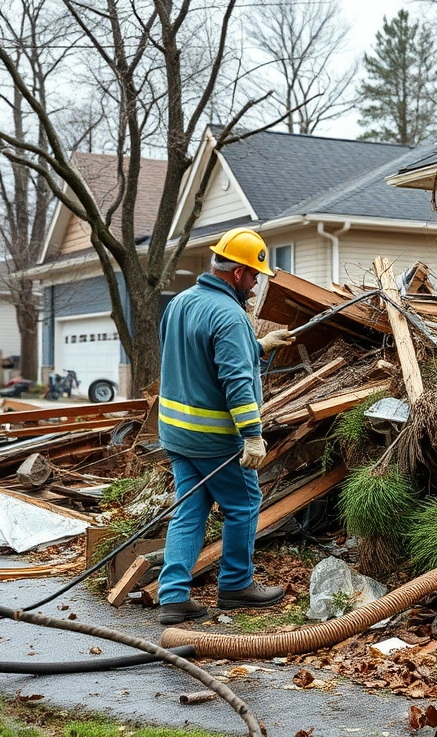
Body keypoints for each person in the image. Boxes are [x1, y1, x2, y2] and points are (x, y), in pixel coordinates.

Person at [156, 227, 293, 626]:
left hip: (176, 435)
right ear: (237, 273)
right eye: (254, 276)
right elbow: (236, 381)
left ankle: (173, 596)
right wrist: (252, 435)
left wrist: (259, 346)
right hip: (215, 439)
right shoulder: (231, 315)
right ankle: (236, 585)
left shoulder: (180, 302)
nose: (255, 286)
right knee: (243, 504)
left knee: (189, 510)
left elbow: (197, 354)